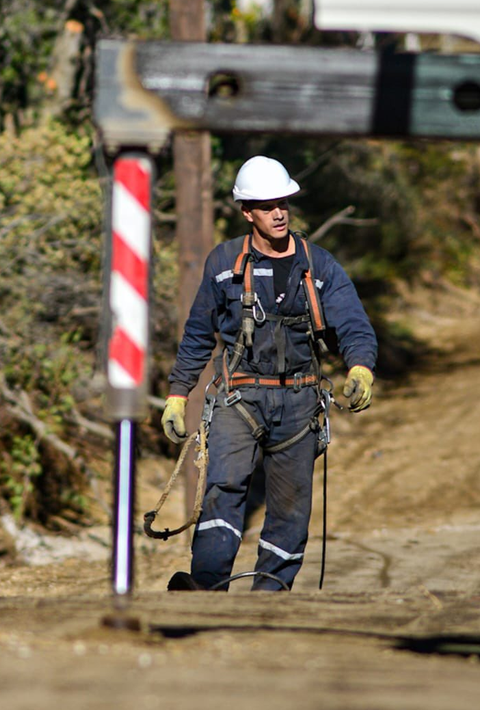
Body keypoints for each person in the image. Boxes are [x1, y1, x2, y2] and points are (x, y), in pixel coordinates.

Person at [161, 155, 377, 592]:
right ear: (247, 212)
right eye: (266, 205)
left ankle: (267, 603)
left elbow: (352, 323)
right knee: (223, 491)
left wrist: (360, 366)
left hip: (299, 405)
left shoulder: (318, 266)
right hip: (238, 400)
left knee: (291, 511)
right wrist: (179, 394)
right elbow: (198, 333)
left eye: (283, 202)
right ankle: (205, 593)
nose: (278, 212)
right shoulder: (224, 264)